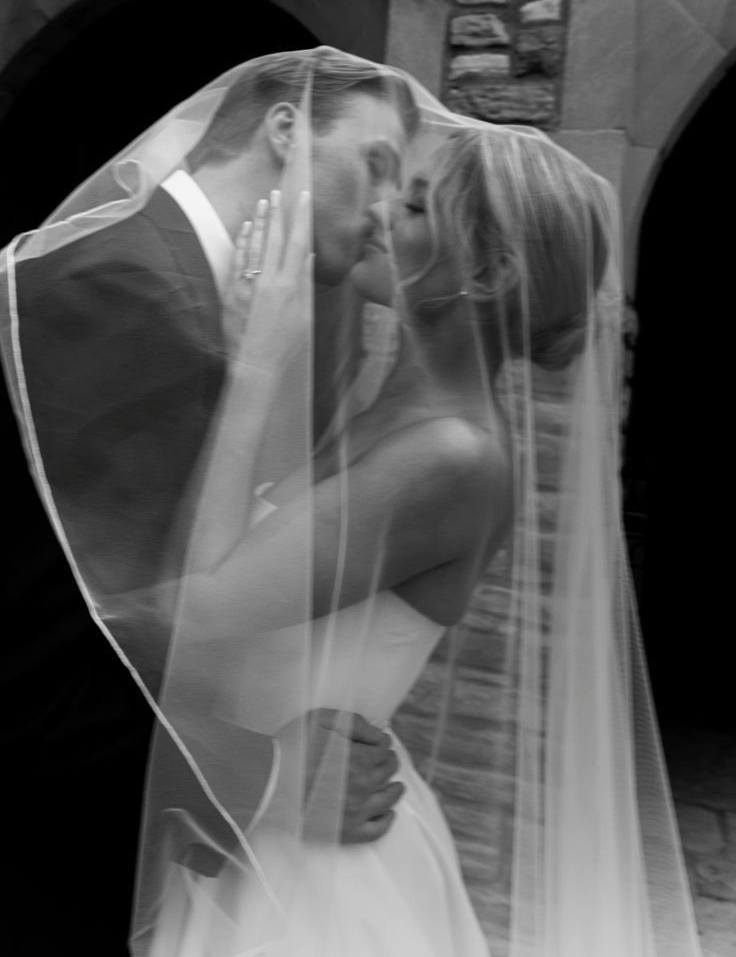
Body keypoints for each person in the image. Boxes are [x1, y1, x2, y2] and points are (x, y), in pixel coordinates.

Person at [138, 114, 702, 955]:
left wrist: (254, 362)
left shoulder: (450, 455)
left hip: (308, 879)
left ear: (487, 270)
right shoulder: (388, 406)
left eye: (411, 206)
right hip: (265, 812)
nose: (373, 212)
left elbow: (201, 610)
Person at [0, 48, 418, 955]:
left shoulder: (193, 289)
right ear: (285, 128)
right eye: (378, 164)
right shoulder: (126, 293)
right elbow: (41, 667)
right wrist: (271, 775)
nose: (390, 210)